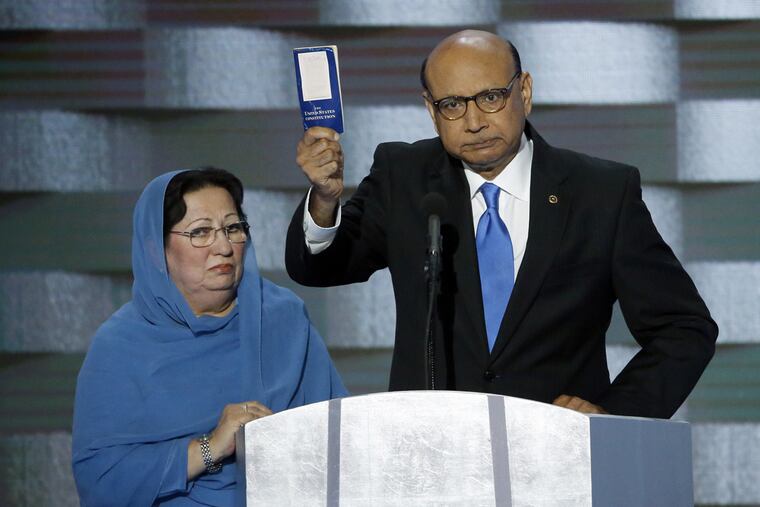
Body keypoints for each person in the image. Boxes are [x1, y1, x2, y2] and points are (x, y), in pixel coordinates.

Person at [285, 30, 717, 418]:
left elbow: (684, 329)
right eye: (452, 105)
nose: (474, 122)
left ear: (524, 92)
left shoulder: (600, 192)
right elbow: (320, 267)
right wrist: (325, 200)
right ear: (430, 110)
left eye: (491, 97)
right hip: (434, 454)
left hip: (558, 461)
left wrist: (613, 414)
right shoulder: (405, 176)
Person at [72, 168, 346, 506]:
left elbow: (339, 439)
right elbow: (99, 480)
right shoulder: (120, 346)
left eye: (233, 228)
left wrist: (283, 445)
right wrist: (211, 446)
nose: (224, 246)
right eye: (200, 232)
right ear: (156, 250)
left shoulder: (283, 318)